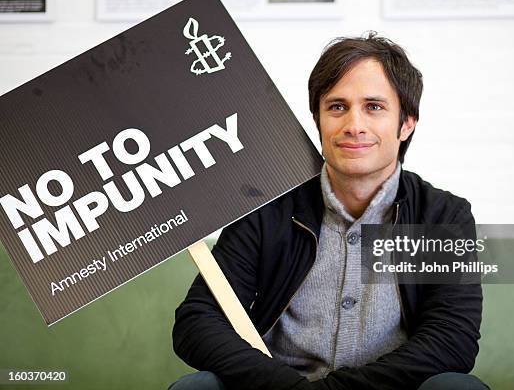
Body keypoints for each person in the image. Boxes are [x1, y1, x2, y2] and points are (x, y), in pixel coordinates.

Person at [170, 32, 488, 390]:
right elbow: (197, 322)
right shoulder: (264, 209)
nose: (354, 125)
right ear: (318, 119)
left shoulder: (441, 216)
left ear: (407, 122)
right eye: (337, 106)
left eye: (374, 107)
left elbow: (452, 340)